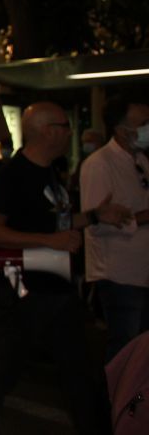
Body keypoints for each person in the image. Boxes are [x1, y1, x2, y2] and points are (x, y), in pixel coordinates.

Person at [0, 102, 125, 434]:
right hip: (24, 291)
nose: (69, 132)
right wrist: (48, 241)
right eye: (64, 125)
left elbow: (54, 223)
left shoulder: (49, 172)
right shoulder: (14, 175)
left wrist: (97, 216)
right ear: (46, 131)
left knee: (79, 375)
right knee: (3, 371)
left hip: (55, 289)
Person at [80, 97, 149, 362]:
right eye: (143, 124)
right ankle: (120, 402)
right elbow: (97, 225)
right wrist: (139, 218)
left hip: (140, 272)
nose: (147, 128)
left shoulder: (140, 160)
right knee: (125, 351)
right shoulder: (99, 164)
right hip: (119, 275)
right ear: (121, 130)